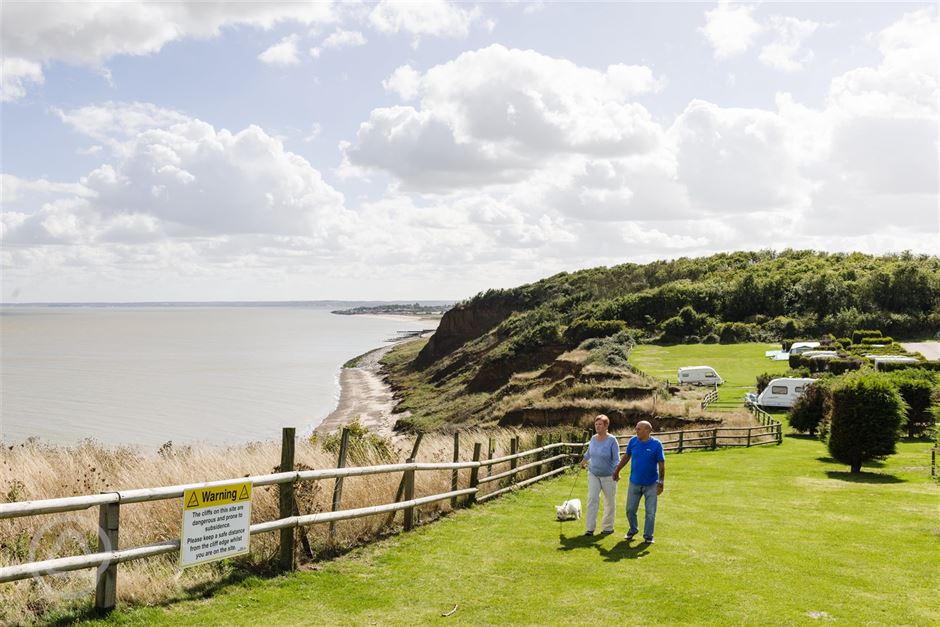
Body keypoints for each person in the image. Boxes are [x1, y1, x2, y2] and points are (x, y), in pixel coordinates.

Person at [612, 420, 665, 543]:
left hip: (651, 483)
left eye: (639, 429)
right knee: (630, 509)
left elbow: (661, 465)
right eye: (636, 428)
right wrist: (617, 470)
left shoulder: (656, 444)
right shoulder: (633, 441)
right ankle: (633, 529)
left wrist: (661, 482)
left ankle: (648, 536)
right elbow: (626, 457)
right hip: (634, 482)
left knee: (650, 512)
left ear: (647, 431)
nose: (636, 431)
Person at [580, 414, 620, 536]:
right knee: (592, 499)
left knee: (609, 501)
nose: (597, 427)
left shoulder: (612, 440)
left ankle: (608, 528)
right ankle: (590, 529)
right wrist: (583, 462)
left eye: (600, 424)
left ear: (606, 425)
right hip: (593, 474)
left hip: (609, 475)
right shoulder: (593, 439)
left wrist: (616, 472)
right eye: (596, 424)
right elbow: (588, 453)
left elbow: (616, 459)